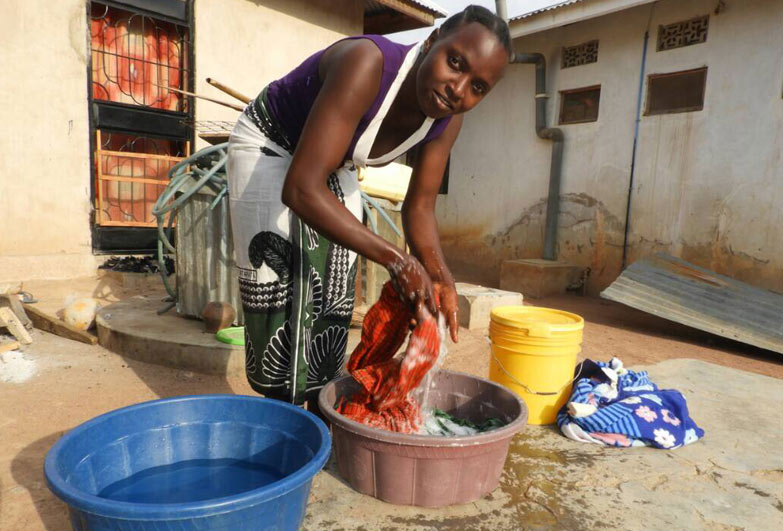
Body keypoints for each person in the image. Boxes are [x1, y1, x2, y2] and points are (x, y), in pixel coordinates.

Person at [227, 5, 511, 406]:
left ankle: (322, 405)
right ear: (430, 41)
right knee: (283, 281)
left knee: (334, 288)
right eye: (455, 63)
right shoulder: (368, 64)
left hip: (334, 160)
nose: (458, 89)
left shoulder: (448, 120)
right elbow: (302, 188)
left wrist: (440, 275)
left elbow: (420, 207)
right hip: (270, 143)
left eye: (478, 87)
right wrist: (398, 260)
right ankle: (282, 413)